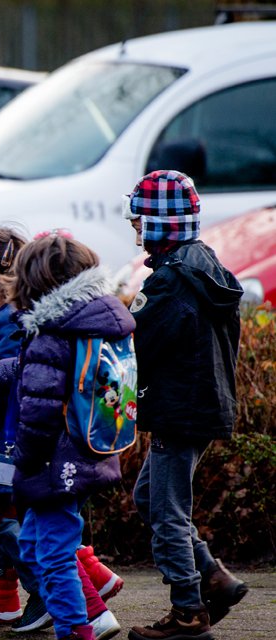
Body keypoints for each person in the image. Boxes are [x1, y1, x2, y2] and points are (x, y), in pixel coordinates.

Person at [0, 232, 133, 640]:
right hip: (91, 447)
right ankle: (81, 618)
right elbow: (24, 367)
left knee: (52, 553)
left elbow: (37, 410)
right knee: (35, 543)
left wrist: (24, 461)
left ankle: (74, 631)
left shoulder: (50, 334)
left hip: (54, 462)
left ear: (34, 283)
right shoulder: (87, 320)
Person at [123, 171, 248, 640]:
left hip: (180, 411)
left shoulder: (170, 282)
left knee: (167, 514)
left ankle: (188, 613)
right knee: (149, 498)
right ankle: (214, 576)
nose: (134, 229)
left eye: (140, 221)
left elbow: (138, 345)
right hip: (203, 405)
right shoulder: (204, 263)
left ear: (161, 225)